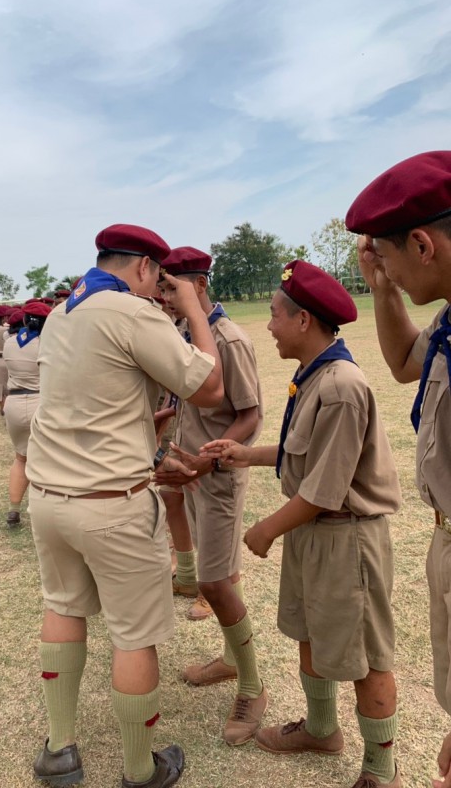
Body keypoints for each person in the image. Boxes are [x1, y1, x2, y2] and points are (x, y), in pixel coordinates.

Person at [25, 223, 223, 788]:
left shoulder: (61, 313)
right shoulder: (133, 313)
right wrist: (193, 308)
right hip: (111, 503)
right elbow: (210, 387)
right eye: (158, 280)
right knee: (134, 636)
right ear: (142, 267)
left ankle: (59, 749)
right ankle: (140, 768)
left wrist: (138, 423)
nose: (159, 290)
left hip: (50, 498)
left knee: (63, 609)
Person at [203, 260, 402, 787]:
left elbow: (325, 489)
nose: (268, 326)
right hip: (314, 531)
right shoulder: (314, 374)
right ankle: (320, 729)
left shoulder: (341, 386)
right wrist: (246, 455)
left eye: (274, 315)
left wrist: (266, 528)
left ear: (303, 320)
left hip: (345, 538)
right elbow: (306, 455)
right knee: (309, 631)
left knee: (365, 657)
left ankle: (380, 770)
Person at [345, 150, 451, 788]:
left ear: (422, 244)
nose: (384, 269)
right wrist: (384, 290)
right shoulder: (449, 321)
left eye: (386, 257)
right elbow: (407, 363)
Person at [155, 246, 266, 746]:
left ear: (199, 284)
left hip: (218, 475)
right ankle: (229, 658)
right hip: (195, 473)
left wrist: (210, 459)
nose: (164, 295)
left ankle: (253, 686)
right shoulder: (187, 335)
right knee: (218, 576)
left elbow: (250, 414)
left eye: (171, 286)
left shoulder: (228, 339)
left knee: (215, 582)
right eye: (161, 287)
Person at [2, 304, 47, 526]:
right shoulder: (46, 343)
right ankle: (43, 509)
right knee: (48, 459)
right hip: (41, 401)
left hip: (14, 402)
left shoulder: (9, 343)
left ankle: (14, 509)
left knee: (21, 458)